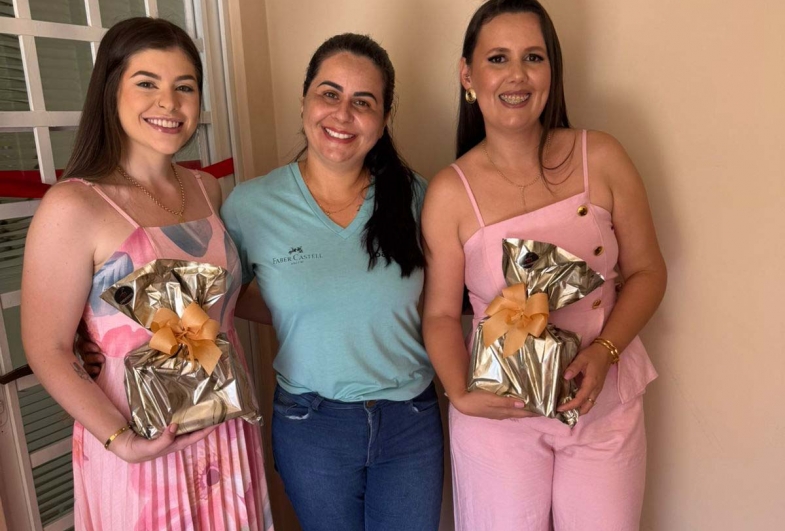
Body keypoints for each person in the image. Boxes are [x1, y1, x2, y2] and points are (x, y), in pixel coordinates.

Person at [421, 1, 666, 530]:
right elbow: (439, 314)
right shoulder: (449, 193)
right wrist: (460, 393)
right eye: (498, 58)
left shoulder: (602, 157)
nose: (516, 75)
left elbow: (648, 272)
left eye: (533, 57)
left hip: (604, 403)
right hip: (499, 415)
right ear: (467, 75)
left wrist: (604, 352)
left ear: (552, 72)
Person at [21, 18, 273, 531]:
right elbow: (47, 348)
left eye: (185, 87)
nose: (170, 103)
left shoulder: (206, 189)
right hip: (137, 438)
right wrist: (121, 440)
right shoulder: (73, 205)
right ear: (111, 90)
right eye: (147, 83)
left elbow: (224, 304)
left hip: (222, 424)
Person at [220, 33, 444, 531]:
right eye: (329, 93)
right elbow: (216, 299)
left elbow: (455, 294)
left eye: (363, 102)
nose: (343, 114)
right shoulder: (249, 205)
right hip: (311, 425)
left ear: (383, 119)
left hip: (409, 422)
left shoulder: (418, 197)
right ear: (304, 101)